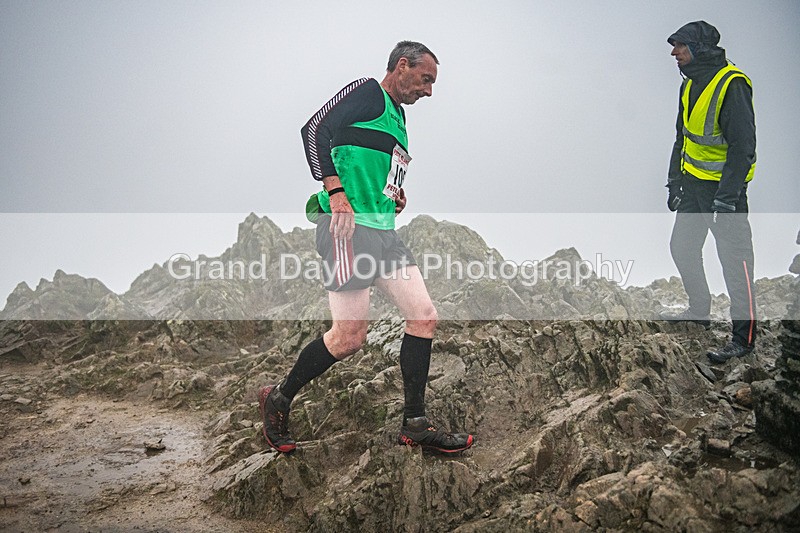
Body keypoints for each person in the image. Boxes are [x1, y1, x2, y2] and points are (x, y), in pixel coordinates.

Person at [257, 41, 474, 454]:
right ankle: (278, 398)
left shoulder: (399, 116)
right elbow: (315, 130)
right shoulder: (367, 91)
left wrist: (393, 193)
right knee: (349, 338)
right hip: (346, 229)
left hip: (384, 231)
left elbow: (376, 163)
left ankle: (415, 424)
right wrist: (336, 192)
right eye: (425, 79)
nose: (429, 91)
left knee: (424, 317)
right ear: (402, 65)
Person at [660, 21, 757, 364]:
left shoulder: (732, 84)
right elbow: (682, 137)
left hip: (724, 192)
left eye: (680, 46)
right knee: (682, 247)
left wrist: (727, 197)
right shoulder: (689, 83)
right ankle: (699, 311)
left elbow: (743, 148)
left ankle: (743, 339)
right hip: (693, 186)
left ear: (699, 48)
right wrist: (674, 180)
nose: (674, 52)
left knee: (735, 263)